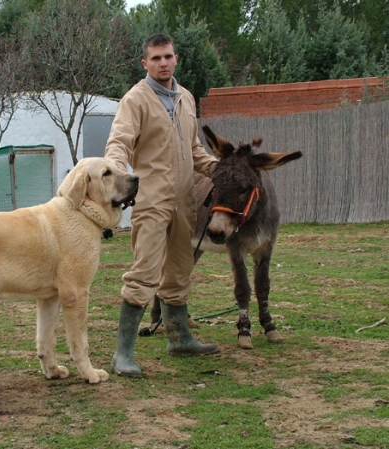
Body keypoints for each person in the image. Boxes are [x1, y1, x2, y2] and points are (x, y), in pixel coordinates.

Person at [105, 33, 219, 377]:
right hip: (152, 201)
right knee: (143, 273)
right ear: (145, 64)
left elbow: (195, 151)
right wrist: (115, 175)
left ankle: (180, 338)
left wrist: (220, 168)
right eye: (155, 58)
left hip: (186, 201)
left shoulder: (186, 98)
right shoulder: (135, 100)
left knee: (181, 270)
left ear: (176, 58)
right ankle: (122, 354)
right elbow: (119, 143)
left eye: (167, 56)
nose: (163, 63)